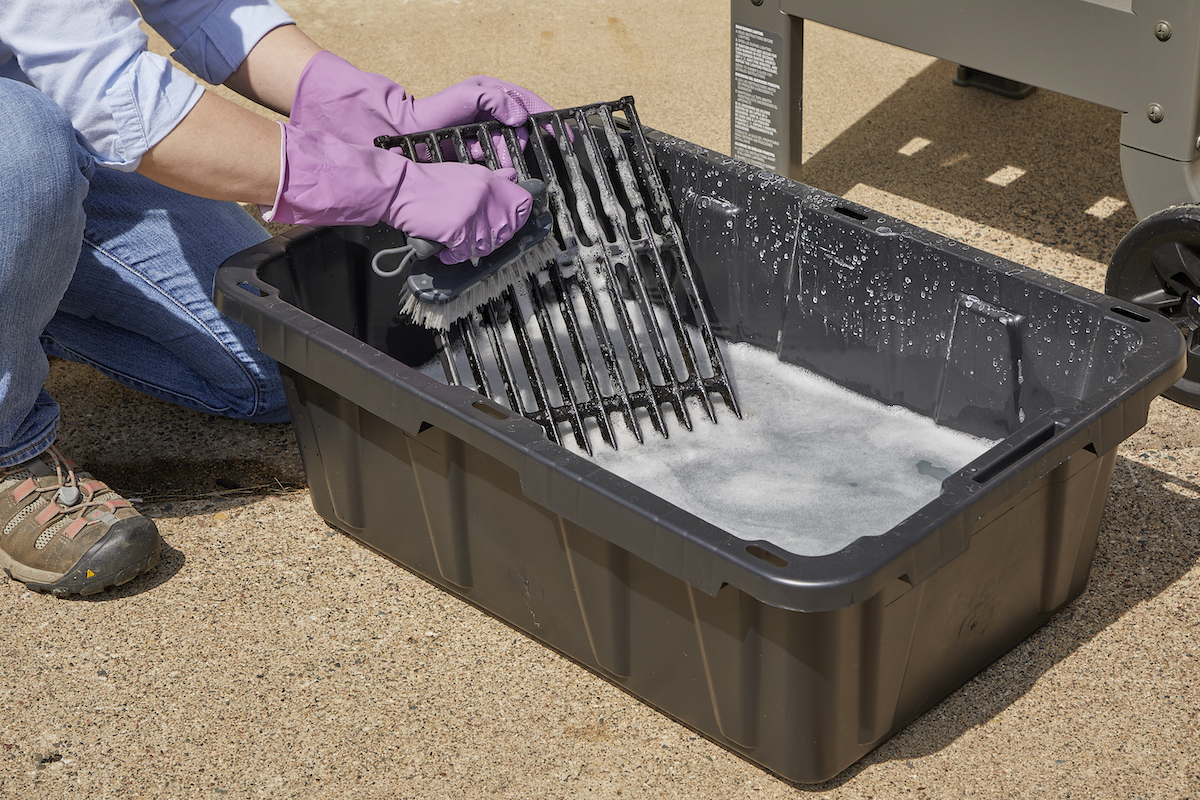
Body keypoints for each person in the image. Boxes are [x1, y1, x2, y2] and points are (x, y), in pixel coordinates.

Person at [0, 0, 556, 597]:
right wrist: (387, 187)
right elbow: (118, 96)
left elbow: (203, 6)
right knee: (27, 144)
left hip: (47, 96)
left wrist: (374, 110)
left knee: (274, 368)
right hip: (26, 132)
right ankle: (10, 444)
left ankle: (25, 274)